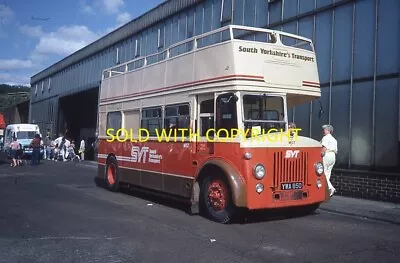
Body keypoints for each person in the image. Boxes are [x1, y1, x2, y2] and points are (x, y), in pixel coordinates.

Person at [321, 124, 338, 197]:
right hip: (333, 156)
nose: (323, 131)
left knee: (323, 173)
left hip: (327, 155)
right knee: (328, 174)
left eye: (324, 130)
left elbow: (324, 148)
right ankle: (326, 190)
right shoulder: (334, 139)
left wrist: (321, 154)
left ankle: (331, 188)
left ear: (328, 130)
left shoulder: (325, 138)